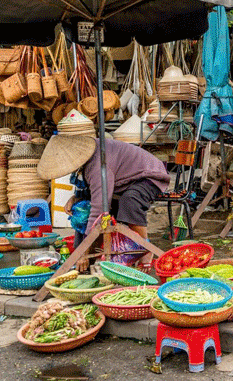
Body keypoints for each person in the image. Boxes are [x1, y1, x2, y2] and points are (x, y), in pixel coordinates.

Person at [37, 109, 170, 270]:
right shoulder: (84, 161)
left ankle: (144, 250)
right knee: (82, 209)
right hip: (123, 179)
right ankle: (84, 261)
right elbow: (88, 188)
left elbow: (99, 208)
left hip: (149, 175)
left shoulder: (98, 164)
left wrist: (83, 252)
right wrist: (76, 198)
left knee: (130, 201)